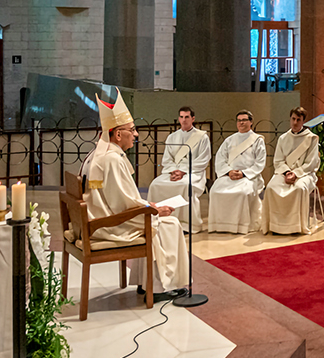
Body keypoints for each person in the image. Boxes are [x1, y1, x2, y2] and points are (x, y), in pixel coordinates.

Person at [82, 97, 187, 294]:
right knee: (168, 224)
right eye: (132, 130)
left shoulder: (99, 153)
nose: (136, 134)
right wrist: (153, 210)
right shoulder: (111, 159)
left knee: (155, 218)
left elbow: (119, 199)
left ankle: (144, 281)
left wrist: (148, 205)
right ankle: (160, 288)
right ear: (118, 134)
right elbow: (122, 204)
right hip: (106, 226)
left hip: (96, 218)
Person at [146, 106, 211, 231]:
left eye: (187, 117)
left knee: (186, 185)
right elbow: (166, 159)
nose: (184, 120)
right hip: (173, 171)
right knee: (156, 184)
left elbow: (203, 160)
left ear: (193, 119)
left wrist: (183, 171)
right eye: (181, 117)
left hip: (193, 171)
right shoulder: (172, 137)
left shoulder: (202, 137)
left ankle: (187, 224)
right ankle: (157, 219)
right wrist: (173, 171)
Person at [208, 110, 267, 234]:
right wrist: (228, 171)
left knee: (242, 193)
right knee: (215, 191)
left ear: (251, 122)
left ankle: (241, 226)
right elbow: (220, 158)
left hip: (248, 176)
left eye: (244, 120)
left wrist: (244, 173)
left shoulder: (257, 140)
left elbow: (260, 162)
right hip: (229, 175)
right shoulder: (229, 140)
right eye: (239, 120)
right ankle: (219, 225)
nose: (241, 123)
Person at [264, 107, 319, 235]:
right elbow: (278, 161)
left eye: (298, 120)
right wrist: (287, 172)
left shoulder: (311, 139)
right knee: (271, 187)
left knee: (299, 188)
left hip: (304, 174)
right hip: (284, 172)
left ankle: (297, 226)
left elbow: (310, 163)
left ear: (303, 121)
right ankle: (275, 225)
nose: (295, 123)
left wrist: (295, 174)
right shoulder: (283, 138)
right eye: (293, 119)